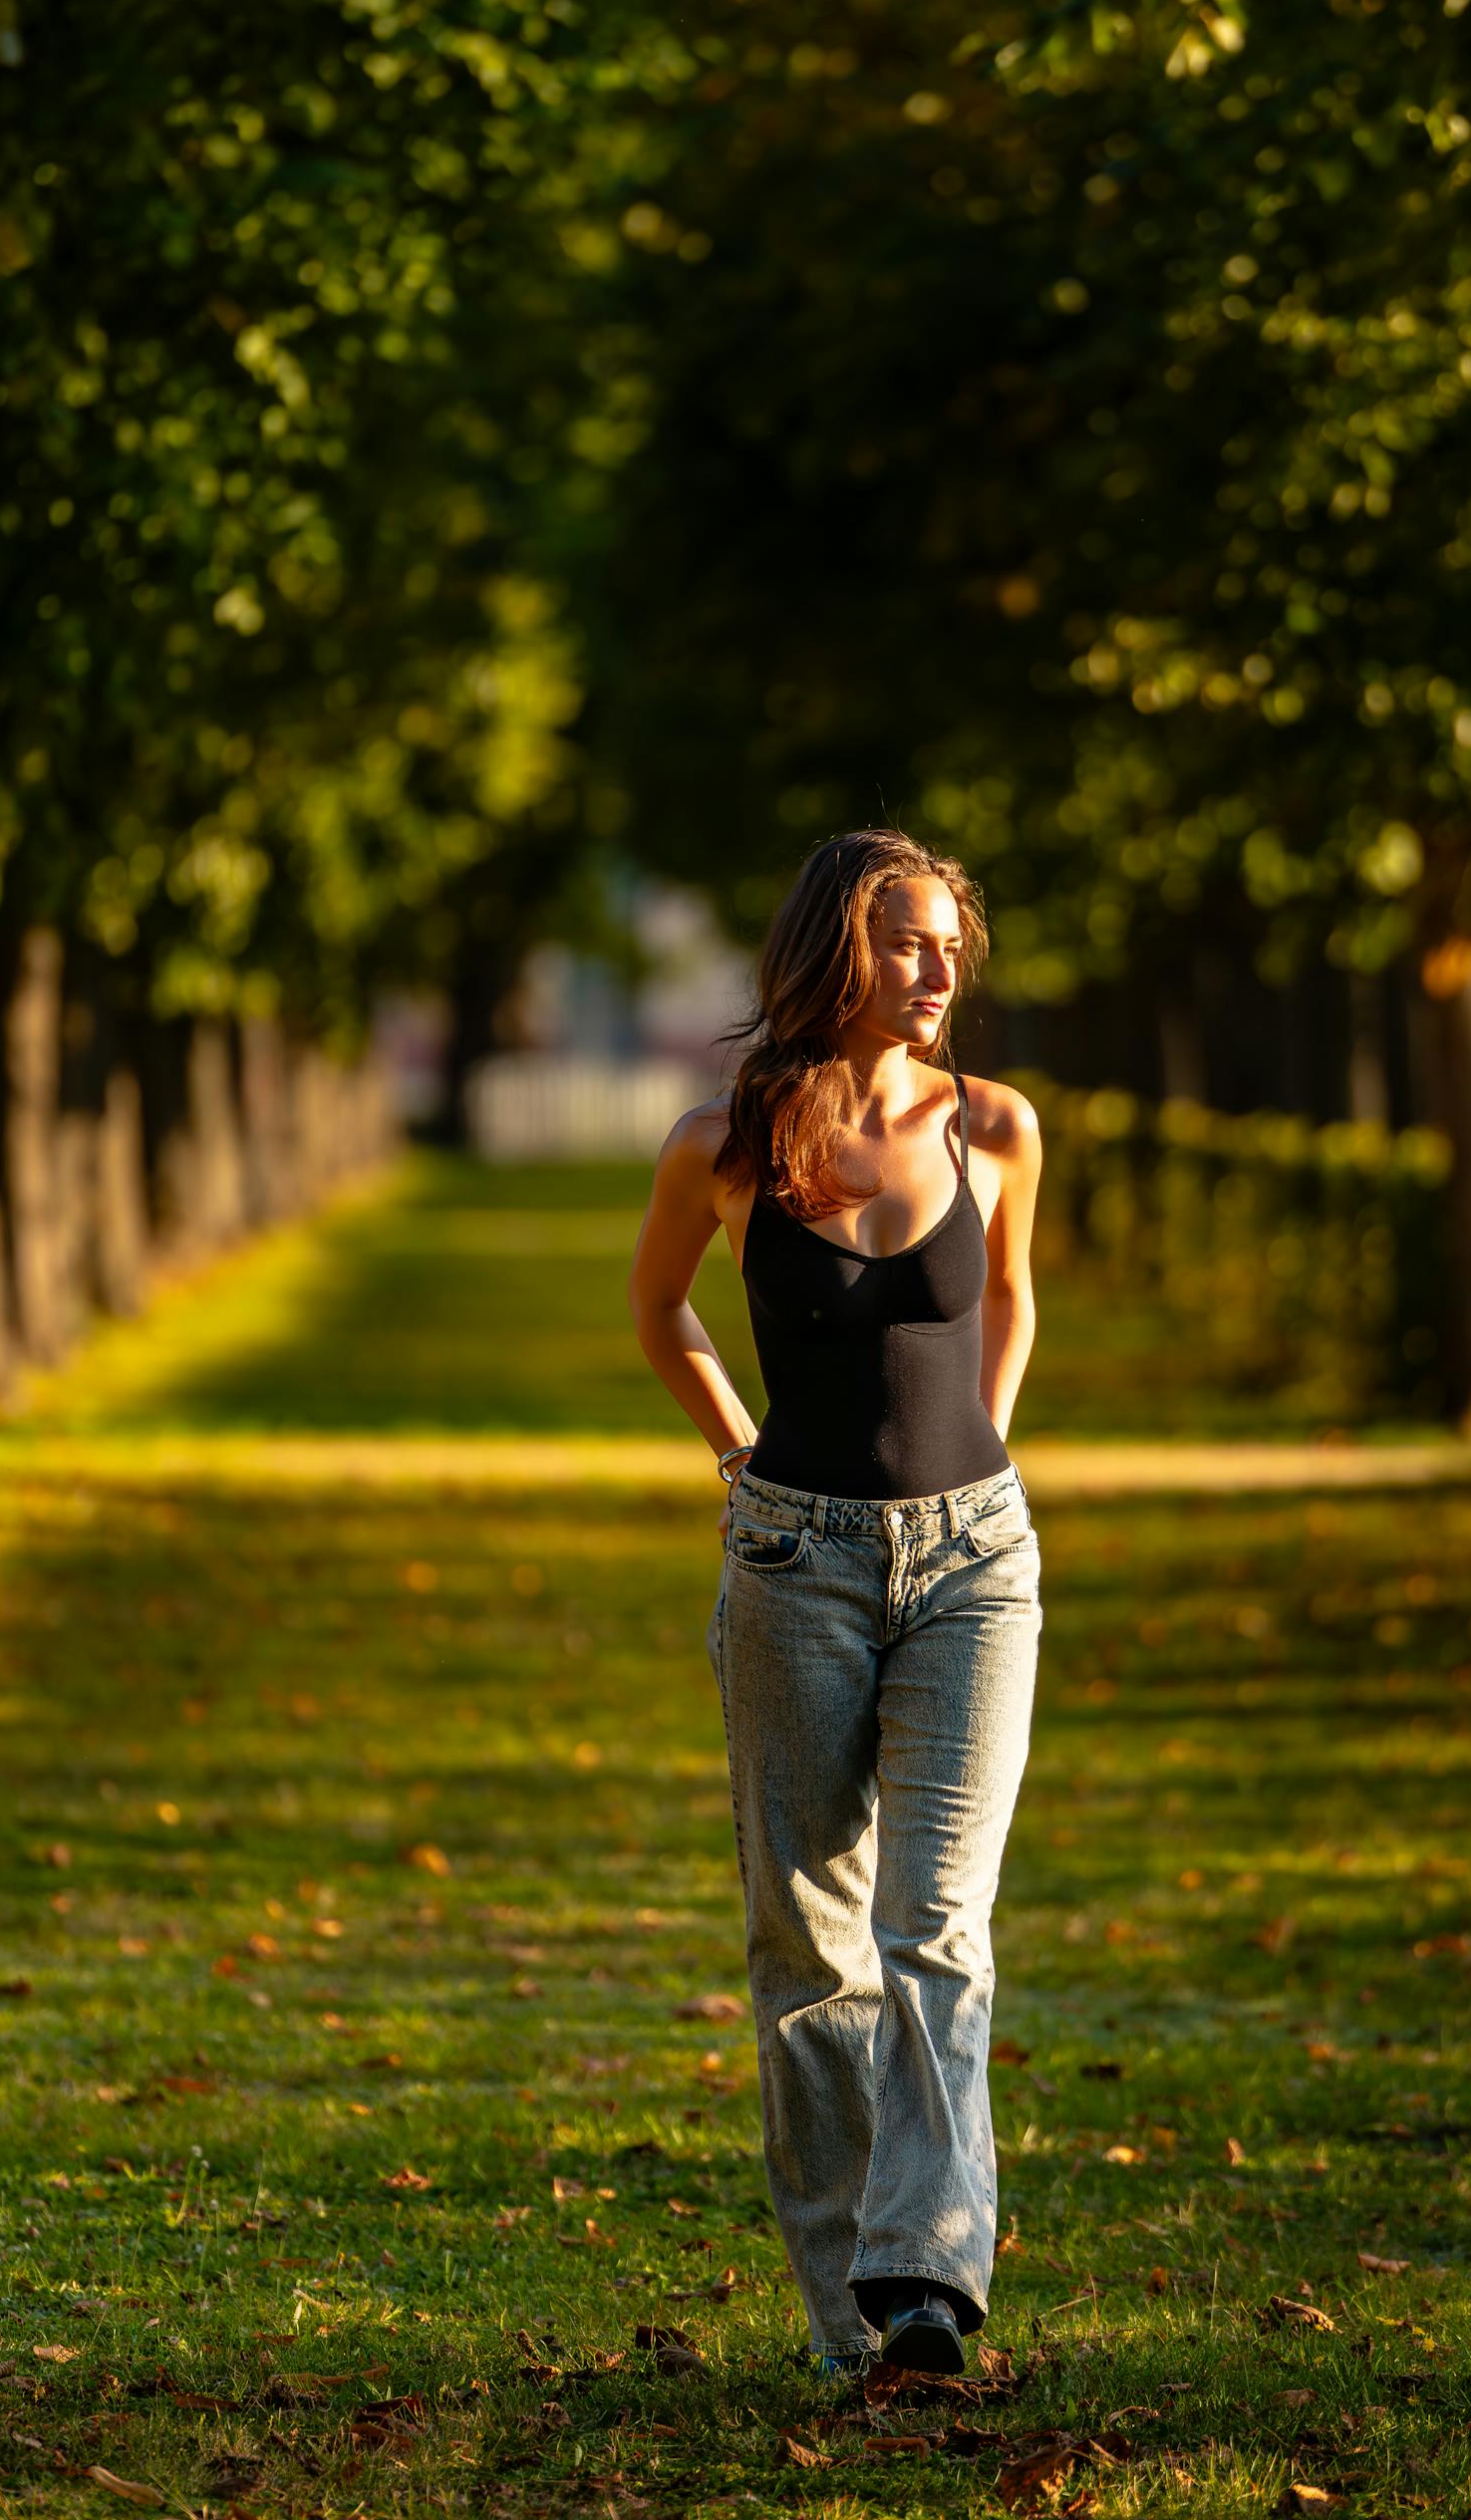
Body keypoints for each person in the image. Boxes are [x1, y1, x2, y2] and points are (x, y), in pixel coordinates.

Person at [627, 829, 1044, 2381]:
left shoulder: (997, 1127)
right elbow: (659, 1305)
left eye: (951, 945)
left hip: (975, 1566)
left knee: (936, 1923)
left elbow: (1008, 1301)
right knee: (810, 1947)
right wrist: (736, 1450)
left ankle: (925, 2279)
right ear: (836, 952)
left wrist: (984, 1462)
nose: (942, 974)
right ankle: (847, 2331)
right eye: (909, 945)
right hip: (794, 1564)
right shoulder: (726, 1143)